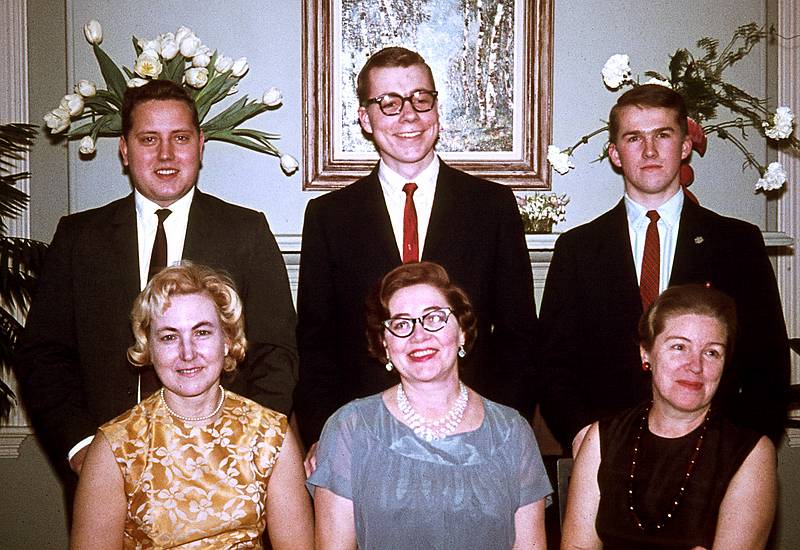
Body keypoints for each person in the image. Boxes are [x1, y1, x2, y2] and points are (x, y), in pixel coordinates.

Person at [15, 80, 297, 477]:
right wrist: (83, 449)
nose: (166, 154)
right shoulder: (80, 238)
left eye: (179, 138)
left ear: (200, 147)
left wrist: (243, 445)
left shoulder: (246, 232)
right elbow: (45, 357)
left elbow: (276, 355)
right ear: (125, 150)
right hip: (108, 468)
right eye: (149, 139)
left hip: (224, 469)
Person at [294, 46, 537, 462]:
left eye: (420, 99)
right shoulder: (329, 217)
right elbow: (315, 345)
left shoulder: (491, 207)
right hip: (363, 440)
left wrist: (499, 427)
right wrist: (326, 434)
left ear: (436, 112)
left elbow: (519, 337)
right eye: (388, 103)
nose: (408, 116)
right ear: (365, 119)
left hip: (475, 437)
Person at [539, 84, 789, 456]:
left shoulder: (736, 243)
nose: (650, 150)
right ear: (615, 154)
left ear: (685, 146)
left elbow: (767, 365)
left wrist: (740, 452)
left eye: (663, 135)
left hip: (714, 453)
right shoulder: (578, 249)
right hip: (607, 451)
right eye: (634, 138)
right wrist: (584, 439)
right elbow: (553, 366)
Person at [307, 262, 551, 549]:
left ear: (461, 331)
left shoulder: (512, 432)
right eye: (401, 324)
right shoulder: (350, 427)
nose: (418, 335)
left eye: (434, 318)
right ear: (385, 345)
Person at [70, 263, 313, 549]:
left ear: (227, 341)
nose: (187, 353)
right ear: (149, 347)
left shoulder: (270, 437)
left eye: (202, 333)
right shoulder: (115, 447)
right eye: (170, 337)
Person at [562, 284, 776, 549]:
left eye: (711, 352)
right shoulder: (603, 438)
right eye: (679, 347)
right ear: (646, 353)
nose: (695, 366)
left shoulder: (750, 453)